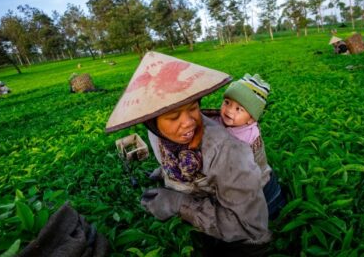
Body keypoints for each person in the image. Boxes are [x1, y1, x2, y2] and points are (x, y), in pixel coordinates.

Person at [106, 52, 272, 256]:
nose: (188, 122)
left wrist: (179, 204)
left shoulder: (227, 151)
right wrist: (167, 170)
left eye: (193, 108)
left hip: (254, 200)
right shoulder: (156, 134)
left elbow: (251, 230)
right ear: (151, 122)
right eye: (174, 117)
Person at [213, 73, 285, 219]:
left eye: (239, 109)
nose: (229, 110)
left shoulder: (250, 136)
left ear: (251, 118)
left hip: (257, 181)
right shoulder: (221, 120)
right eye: (227, 102)